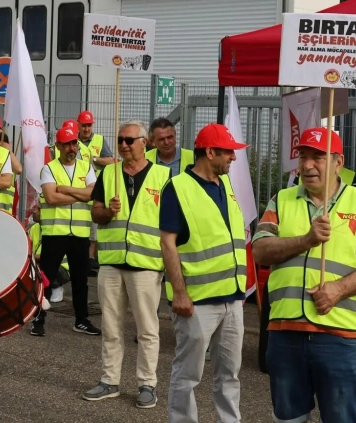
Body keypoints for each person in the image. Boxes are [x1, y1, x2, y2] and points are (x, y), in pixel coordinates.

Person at [252, 127, 356, 423]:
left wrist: (339, 289)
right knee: (288, 418)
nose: (307, 165)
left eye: (318, 157)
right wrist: (306, 240)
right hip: (285, 334)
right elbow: (260, 251)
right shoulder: (281, 199)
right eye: (302, 156)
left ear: (338, 162)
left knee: (340, 418)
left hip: (340, 336)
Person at [159, 123, 249, 423]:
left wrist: (240, 289)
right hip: (197, 303)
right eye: (228, 152)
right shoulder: (178, 188)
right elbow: (168, 244)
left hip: (232, 300)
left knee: (230, 375)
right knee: (188, 376)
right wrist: (180, 293)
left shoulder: (225, 185)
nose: (233, 158)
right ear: (209, 153)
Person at [83, 120, 169, 409]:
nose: (123, 145)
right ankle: (109, 381)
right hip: (111, 263)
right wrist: (108, 210)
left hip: (146, 264)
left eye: (129, 140)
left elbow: (171, 222)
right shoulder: (109, 173)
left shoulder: (163, 176)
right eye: (120, 139)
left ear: (145, 143)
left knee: (147, 329)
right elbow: (95, 214)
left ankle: (147, 384)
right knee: (111, 327)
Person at [32, 127, 101, 337]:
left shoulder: (85, 166)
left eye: (74, 144)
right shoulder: (49, 169)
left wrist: (66, 189)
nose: (72, 148)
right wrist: (81, 194)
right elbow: (51, 198)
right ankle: (37, 318)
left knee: (81, 280)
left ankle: (82, 320)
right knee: (45, 278)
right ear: (58, 146)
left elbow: (94, 193)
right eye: (67, 144)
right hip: (55, 231)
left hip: (79, 233)